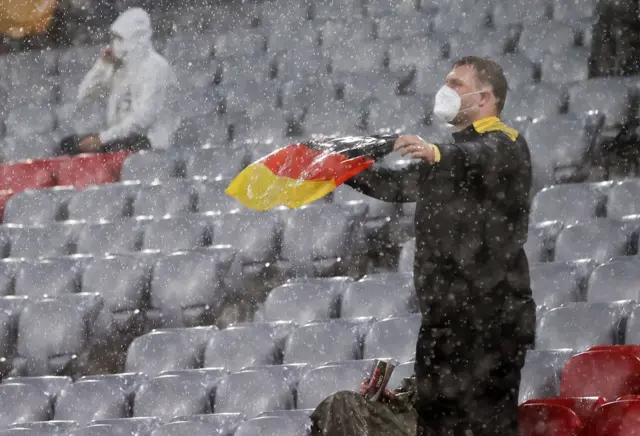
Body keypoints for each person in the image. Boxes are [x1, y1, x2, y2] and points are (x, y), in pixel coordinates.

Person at [345, 56, 536, 436]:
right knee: (434, 423)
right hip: (443, 318)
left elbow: (481, 155)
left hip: (492, 318)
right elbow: (394, 186)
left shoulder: (507, 144)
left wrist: (438, 152)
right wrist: (342, 168)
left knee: (486, 425)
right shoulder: (448, 157)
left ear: (486, 97)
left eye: (457, 83)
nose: (446, 90)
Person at [57, 7, 180, 156]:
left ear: (135, 38)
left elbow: (143, 120)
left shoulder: (156, 67)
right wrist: (103, 65)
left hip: (151, 140)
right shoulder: (120, 68)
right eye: (113, 38)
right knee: (69, 145)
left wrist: (102, 139)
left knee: (126, 144)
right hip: (120, 139)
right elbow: (85, 95)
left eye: (119, 38)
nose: (114, 44)